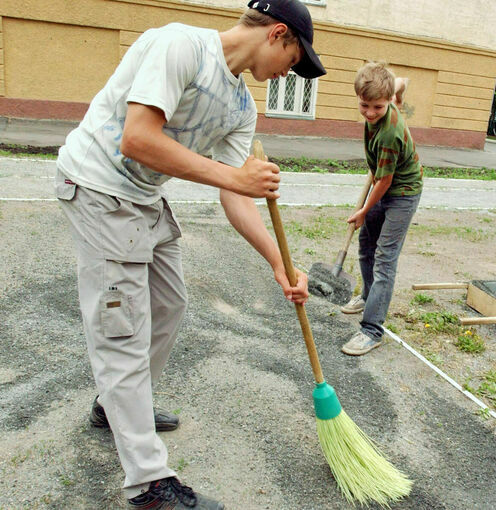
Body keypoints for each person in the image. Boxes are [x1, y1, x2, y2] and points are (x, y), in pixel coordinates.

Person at [54, 1, 324, 507]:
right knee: (123, 330)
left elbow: (236, 195)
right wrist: (234, 175)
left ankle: (117, 407)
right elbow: (137, 138)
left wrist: (278, 260)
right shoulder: (180, 45)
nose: (292, 71)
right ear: (278, 34)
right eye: (296, 58)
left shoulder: (242, 106)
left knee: (170, 305)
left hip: (143, 199)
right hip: (97, 186)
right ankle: (148, 483)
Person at [339, 62, 422, 356]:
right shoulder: (388, 95)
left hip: (402, 193)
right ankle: (367, 295)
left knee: (385, 258)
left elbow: (384, 182)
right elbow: (401, 82)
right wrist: (400, 86)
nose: (370, 113)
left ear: (387, 101)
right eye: (364, 105)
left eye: (377, 107)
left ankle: (372, 330)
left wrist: (363, 210)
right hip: (384, 184)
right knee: (366, 245)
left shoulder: (389, 134)